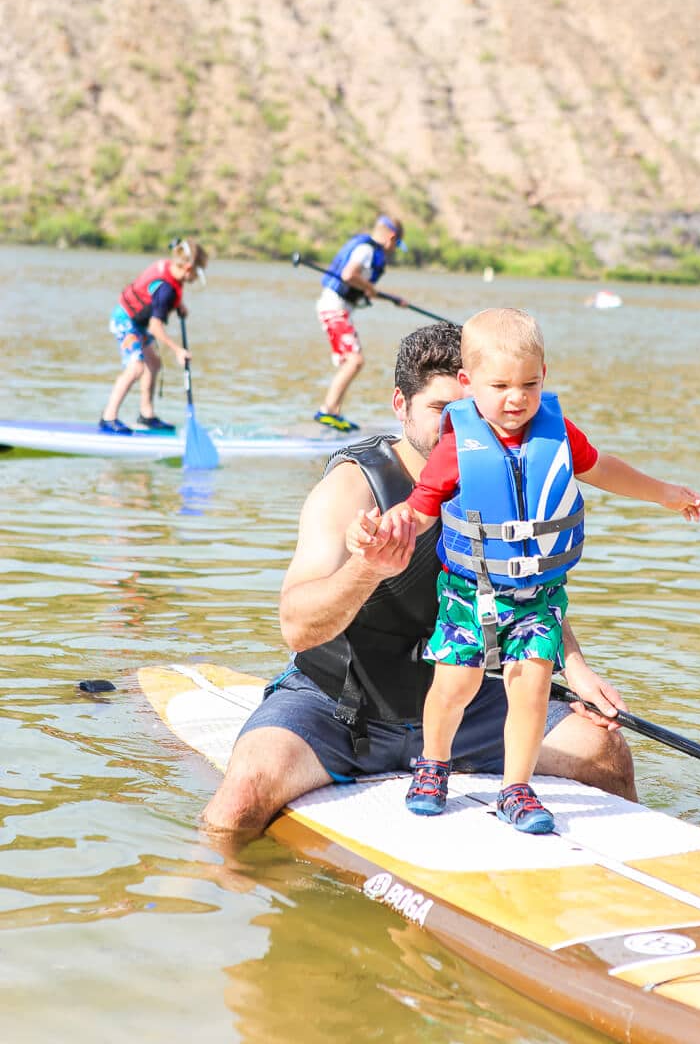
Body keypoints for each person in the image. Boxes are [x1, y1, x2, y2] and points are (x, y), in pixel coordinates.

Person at [203, 322, 638, 842]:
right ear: (400, 404)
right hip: (342, 711)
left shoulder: (501, 467)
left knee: (606, 751)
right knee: (241, 798)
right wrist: (368, 568)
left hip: (464, 708)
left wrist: (577, 667)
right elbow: (297, 628)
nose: (460, 426)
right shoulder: (352, 488)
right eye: (441, 410)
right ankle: (210, 887)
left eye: (472, 408)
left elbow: (529, 587)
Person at [347, 309, 700, 835]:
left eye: (529, 384)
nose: (516, 398)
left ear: (544, 375)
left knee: (531, 686)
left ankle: (516, 787)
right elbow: (421, 508)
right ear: (468, 384)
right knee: (454, 686)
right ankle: (434, 764)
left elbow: (602, 468)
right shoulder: (457, 444)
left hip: (536, 595)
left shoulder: (556, 432)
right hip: (470, 592)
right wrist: (384, 529)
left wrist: (665, 494)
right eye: (500, 386)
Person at [99, 237, 208, 435]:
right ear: (189, 268)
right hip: (125, 322)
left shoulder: (170, 270)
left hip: (138, 323)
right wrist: (178, 351)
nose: (195, 279)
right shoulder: (165, 289)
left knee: (154, 364)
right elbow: (155, 326)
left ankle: (146, 416)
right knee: (136, 367)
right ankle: (108, 418)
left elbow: (156, 297)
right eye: (198, 273)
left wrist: (178, 306)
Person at [314, 212, 408, 433]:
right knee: (355, 361)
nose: (393, 251)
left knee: (351, 361)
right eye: (396, 245)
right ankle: (327, 411)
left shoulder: (368, 250)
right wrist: (367, 287)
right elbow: (349, 275)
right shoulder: (367, 250)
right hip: (334, 307)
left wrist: (394, 300)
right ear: (391, 238)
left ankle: (334, 412)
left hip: (337, 308)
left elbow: (366, 288)